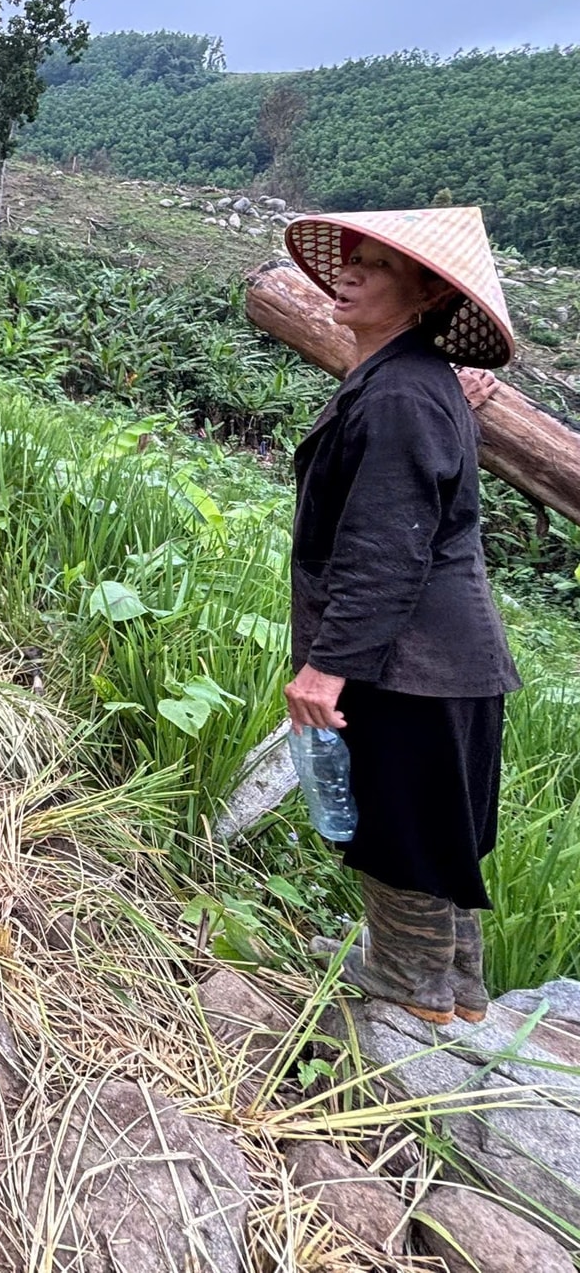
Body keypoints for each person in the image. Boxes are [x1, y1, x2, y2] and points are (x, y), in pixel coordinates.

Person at [281, 206, 521, 1026]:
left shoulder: (404, 395)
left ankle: (409, 980)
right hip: (443, 660)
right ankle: (459, 988)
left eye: (376, 265)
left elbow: (386, 546)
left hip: (409, 660)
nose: (348, 270)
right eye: (351, 256)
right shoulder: (411, 382)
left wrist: (326, 664)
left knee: (399, 824)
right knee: (437, 820)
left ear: (424, 293)